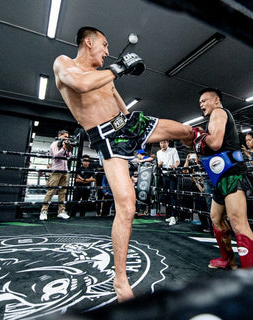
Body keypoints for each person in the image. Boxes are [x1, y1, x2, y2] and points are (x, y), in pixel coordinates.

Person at [53, 26, 193, 302]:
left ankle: (209, 147)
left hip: (128, 125)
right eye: (104, 45)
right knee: (127, 205)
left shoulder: (105, 75)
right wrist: (119, 67)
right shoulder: (64, 63)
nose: (107, 51)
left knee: (186, 131)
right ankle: (120, 280)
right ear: (88, 42)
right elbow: (81, 85)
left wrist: (138, 140)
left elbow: (119, 102)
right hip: (107, 137)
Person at [194, 87, 253, 269]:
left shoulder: (219, 112)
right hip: (220, 177)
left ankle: (252, 275)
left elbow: (214, 143)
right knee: (216, 218)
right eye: (200, 103)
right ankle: (228, 261)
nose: (201, 105)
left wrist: (200, 137)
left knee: (239, 223)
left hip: (231, 175)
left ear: (216, 100)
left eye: (204, 100)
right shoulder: (214, 119)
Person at [39, 129, 72, 221]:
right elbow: (56, 156)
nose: (67, 138)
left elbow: (69, 157)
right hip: (56, 170)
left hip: (65, 171)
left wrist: (68, 149)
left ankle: (61, 211)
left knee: (63, 192)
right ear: (59, 135)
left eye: (67, 137)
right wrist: (63, 149)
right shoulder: (54, 144)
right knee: (51, 191)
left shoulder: (65, 144)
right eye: (65, 136)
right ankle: (43, 211)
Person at [156, 140, 180, 225]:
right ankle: (169, 215)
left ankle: (174, 216)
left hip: (172, 174)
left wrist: (174, 166)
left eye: (164, 142)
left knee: (173, 195)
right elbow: (159, 164)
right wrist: (159, 164)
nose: (163, 144)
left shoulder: (173, 150)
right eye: (161, 143)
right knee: (166, 196)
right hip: (164, 175)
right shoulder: (158, 152)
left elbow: (177, 161)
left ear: (168, 143)